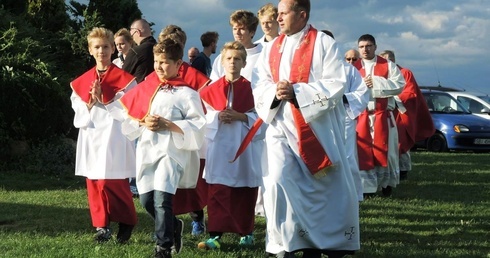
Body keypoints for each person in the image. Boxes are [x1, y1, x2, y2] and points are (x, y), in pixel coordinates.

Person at [253, 1, 360, 257]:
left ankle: (324, 243)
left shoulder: (324, 43)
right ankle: (283, 243)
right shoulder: (272, 48)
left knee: (322, 189)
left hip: (317, 129)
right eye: (277, 13)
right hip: (280, 125)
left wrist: (297, 92)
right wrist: (275, 93)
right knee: (278, 180)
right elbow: (260, 82)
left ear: (302, 14)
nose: (278, 18)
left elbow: (336, 84)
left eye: (283, 13)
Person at [117, 38, 206, 258]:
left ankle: (163, 248)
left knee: (162, 199)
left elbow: (199, 124)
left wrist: (170, 124)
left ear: (178, 65)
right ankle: (173, 226)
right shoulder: (148, 87)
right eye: (157, 61)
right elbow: (131, 117)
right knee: (147, 199)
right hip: (148, 150)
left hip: (172, 152)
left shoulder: (187, 94)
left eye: (165, 62)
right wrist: (143, 122)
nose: (159, 66)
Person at [70, 27, 138, 244]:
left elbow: (131, 107)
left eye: (106, 47)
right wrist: (89, 103)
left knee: (114, 181)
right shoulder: (82, 80)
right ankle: (102, 226)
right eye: (97, 47)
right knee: (95, 182)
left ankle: (126, 221)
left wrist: (106, 98)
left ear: (113, 49)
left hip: (114, 135)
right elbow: (77, 107)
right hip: (91, 134)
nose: (102, 51)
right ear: (90, 50)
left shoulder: (125, 79)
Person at [197, 41, 263, 250]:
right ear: (222, 62)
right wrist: (217, 116)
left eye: (237, 59)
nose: (233, 62)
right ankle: (215, 234)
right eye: (229, 58)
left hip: (243, 147)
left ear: (244, 63)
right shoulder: (210, 90)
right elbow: (201, 118)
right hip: (219, 146)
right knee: (218, 191)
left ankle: (246, 231)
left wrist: (241, 116)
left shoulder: (253, 89)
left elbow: (262, 119)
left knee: (244, 190)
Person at [158, 24, 210, 237]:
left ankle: (197, 219)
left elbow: (206, 104)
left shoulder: (193, 76)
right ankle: (168, 224)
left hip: (185, 137)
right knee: (164, 185)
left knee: (190, 184)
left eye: (176, 43)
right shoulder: (158, 73)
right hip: (161, 140)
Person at [353, 34, 405, 198]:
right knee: (363, 152)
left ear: (375, 47)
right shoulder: (352, 68)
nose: (365, 49)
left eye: (368, 46)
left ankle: (386, 185)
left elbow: (399, 85)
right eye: (361, 46)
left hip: (382, 116)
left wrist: (375, 81)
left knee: (386, 151)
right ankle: (367, 188)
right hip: (361, 117)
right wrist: (363, 84)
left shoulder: (388, 65)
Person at [324, 30, 370, 202]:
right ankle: (325, 192)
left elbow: (362, 92)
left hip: (343, 115)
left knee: (347, 156)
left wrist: (344, 97)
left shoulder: (347, 69)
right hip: (318, 117)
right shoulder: (311, 69)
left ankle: (353, 194)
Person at [379, 50, 434, 181]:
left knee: (400, 142)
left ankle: (403, 170)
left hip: (400, 113)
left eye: (388, 61)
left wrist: (390, 96)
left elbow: (410, 93)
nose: (386, 64)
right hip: (382, 113)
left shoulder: (405, 73)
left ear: (393, 60)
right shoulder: (380, 75)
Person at [210, 10, 262, 83]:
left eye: (242, 29)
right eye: (235, 29)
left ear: (252, 32)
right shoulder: (223, 56)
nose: (237, 33)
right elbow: (214, 85)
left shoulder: (262, 55)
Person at [123, 19, 157, 83]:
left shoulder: (135, 51)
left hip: (140, 89)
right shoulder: (161, 50)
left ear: (138, 32)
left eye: (132, 35)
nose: (133, 39)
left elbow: (123, 75)